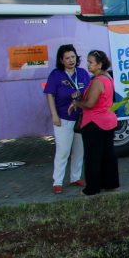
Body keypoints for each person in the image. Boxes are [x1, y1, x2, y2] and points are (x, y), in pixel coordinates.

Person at [69, 50, 118, 196]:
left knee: (92, 157)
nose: (88, 65)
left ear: (100, 64)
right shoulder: (108, 77)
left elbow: (90, 104)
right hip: (108, 120)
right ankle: (110, 183)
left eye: (91, 62)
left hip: (94, 122)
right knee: (107, 154)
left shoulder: (97, 81)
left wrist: (77, 103)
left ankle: (92, 188)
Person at [43, 44, 90, 194]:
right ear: (61, 60)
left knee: (79, 149)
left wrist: (79, 95)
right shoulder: (56, 75)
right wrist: (54, 115)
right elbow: (49, 94)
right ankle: (57, 181)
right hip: (63, 118)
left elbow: (89, 93)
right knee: (63, 150)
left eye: (73, 57)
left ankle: (75, 177)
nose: (71, 60)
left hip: (81, 118)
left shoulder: (82, 73)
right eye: (67, 58)